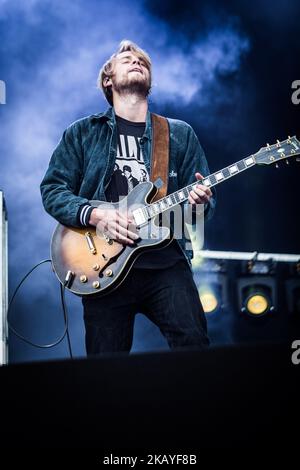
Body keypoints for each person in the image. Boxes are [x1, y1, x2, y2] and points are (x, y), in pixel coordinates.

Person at [40, 40, 216, 355]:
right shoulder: (83, 133)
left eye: (142, 61)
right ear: (108, 80)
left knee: (195, 348)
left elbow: (201, 213)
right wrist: (95, 215)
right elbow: (52, 190)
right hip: (102, 267)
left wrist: (199, 204)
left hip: (165, 263)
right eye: (126, 59)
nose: (136, 61)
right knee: (106, 370)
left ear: (149, 79)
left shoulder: (177, 133)